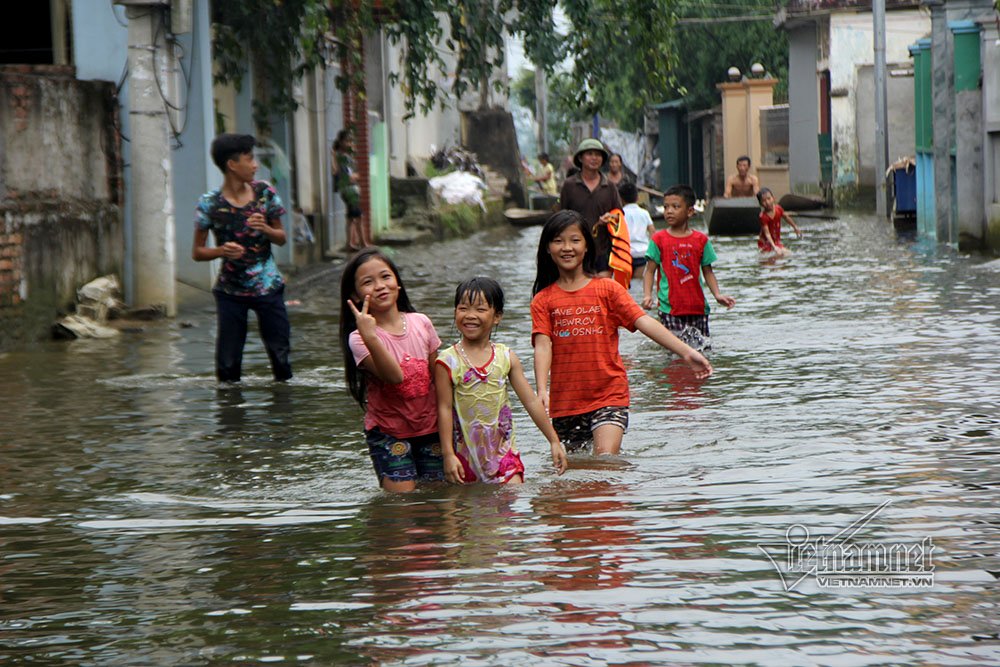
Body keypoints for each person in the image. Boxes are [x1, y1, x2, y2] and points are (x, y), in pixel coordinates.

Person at [530, 210, 713, 456]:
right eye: (558, 241)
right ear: (547, 249)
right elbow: (543, 346)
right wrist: (542, 389)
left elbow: (643, 321)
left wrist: (686, 352)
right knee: (578, 473)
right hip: (566, 402)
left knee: (605, 459)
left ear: (586, 246)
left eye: (575, 240)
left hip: (609, 394)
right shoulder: (543, 300)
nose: (567, 247)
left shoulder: (607, 290)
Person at [434, 277, 567, 484]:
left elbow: (531, 401)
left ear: (497, 317)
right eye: (463, 308)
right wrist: (448, 455)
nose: (470, 316)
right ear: (455, 312)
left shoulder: (505, 357)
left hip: (504, 454)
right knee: (469, 512)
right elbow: (443, 409)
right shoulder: (448, 361)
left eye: (480, 309)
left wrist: (553, 440)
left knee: (510, 504)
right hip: (466, 456)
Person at [339, 247, 444, 492]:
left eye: (386, 277)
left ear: (398, 283)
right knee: (401, 506)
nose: (379, 286)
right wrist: (370, 335)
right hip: (388, 432)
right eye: (368, 282)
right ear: (355, 296)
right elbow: (395, 377)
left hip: (431, 428)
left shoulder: (422, 323)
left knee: (439, 498)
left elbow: (438, 379)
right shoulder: (358, 338)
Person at [193, 133, 292, 383]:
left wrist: (267, 230)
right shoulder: (210, 204)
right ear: (232, 164)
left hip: (268, 287)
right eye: (250, 159)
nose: (255, 165)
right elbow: (197, 252)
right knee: (227, 368)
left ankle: (282, 413)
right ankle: (230, 418)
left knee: (281, 359)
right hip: (230, 292)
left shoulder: (265, 193)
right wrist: (221, 251)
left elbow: (281, 237)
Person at [642, 185, 736, 350]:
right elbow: (649, 271)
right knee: (677, 350)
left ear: (690, 211)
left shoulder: (701, 240)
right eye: (666, 207)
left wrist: (717, 294)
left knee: (702, 350)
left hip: (697, 306)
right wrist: (647, 295)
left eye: (675, 207)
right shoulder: (659, 239)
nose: (669, 211)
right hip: (669, 308)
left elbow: (708, 271)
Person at [559, 138, 623, 279]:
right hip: (576, 250)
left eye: (598, 155)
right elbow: (560, 218)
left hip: (603, 249)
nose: (594, 158)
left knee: (602, 290)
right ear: (581, 158)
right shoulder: (569, 185)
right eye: (590, 154)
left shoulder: (610, 186)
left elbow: (620, 216)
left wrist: (610, 218)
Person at [331, 130, 368, 251]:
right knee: (358, 216)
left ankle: (349, 243)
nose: (350, 143)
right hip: (348, 190)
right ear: (341, 142)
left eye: (351, 141)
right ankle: (363, 243)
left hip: (350, 189)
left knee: (351, 217)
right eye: (347, 141)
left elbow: (354, 174)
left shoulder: (345, 156)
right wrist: (353, 177)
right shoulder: (341, 157)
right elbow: (346, 175)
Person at [618, 182, 655, 280]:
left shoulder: (620, 213)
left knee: (627, 284)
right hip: (642, 253)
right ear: (637, 197)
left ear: (620, 198)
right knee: (639, 282)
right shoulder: (644, 213)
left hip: (625, 254)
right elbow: (652, 231)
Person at [757, 187, 802, 256]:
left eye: (769, 199)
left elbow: (786, 217)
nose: (767, 202)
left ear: (773, 198)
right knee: (772, 259)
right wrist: (774, 247)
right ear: (760, 204)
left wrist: (795, 227)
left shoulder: (778, 209)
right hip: (765, 242)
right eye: (764, 201)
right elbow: (767, 234)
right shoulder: (763, 217)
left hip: (776, 241)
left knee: (788, 254)